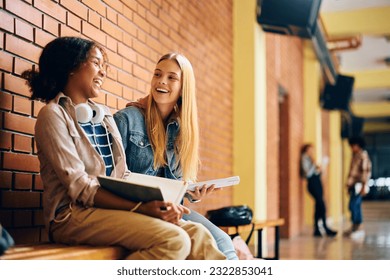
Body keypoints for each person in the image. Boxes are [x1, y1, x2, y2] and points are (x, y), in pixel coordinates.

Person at [22, 37, 225, 260]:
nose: (102, 72)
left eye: (103, 66)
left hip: (108, 211)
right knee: (174, 240)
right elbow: (80, 187)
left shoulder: (104, 116)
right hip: (70, 215)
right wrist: (140, 207)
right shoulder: (53, 115)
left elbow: (123, 175)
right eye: (96, 63)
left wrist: (161, 202)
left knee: (199, 235)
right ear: (72, 66)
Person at [114, 52, 239, 260]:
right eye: (157, 74)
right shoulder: (127, 120)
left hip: (172, 210)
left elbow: (178, 186)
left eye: (172, 77)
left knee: (224, 241)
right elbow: (111, 178)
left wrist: (193, 194)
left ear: (183, 88)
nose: (161, 81)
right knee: (195, 244)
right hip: (138, 210)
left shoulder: (182, 131)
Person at [300, 144, 337, 237]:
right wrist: (314, 164)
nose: (311, 152)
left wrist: (319, 168)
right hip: (312, 183)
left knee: (318, 206)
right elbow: (307, 173)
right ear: (306, 150)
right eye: (310, 150)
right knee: (321, 205)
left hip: (317, 182)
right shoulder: (304, 158)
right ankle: (324, 226)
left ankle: (317, 229)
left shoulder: (311, 159)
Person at [344, 136, 372, 236]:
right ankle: (355, 226)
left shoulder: (363, 155)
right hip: (353, 185)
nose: (351, 148)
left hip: (359, 185)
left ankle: (357, 226)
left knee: (353, 205)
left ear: (357, 145)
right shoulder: (354, 155)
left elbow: (365, 171)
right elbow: (351, 173)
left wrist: (364, 185)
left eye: (352, 146)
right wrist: (348, 186)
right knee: (354, 205)